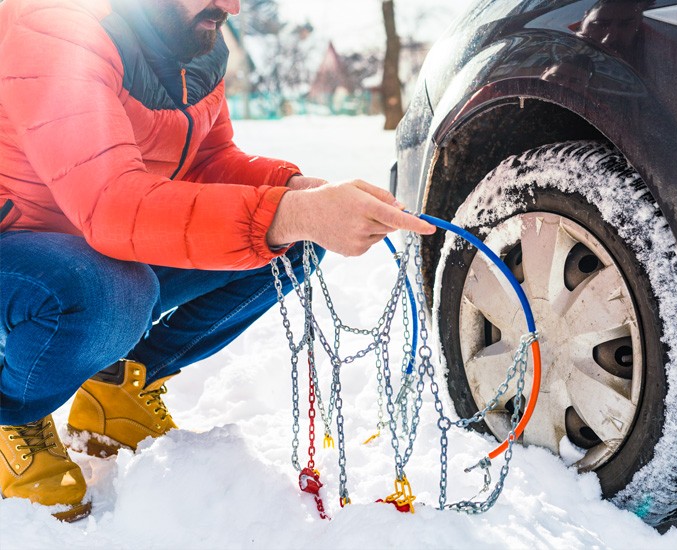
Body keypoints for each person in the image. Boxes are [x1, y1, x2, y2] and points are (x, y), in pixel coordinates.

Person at [0, 0, 434, 522]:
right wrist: (287, 212)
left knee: (291, 243)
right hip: (20, 243)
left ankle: (117, 386)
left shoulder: (193, 45)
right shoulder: (55, 30)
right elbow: (115, 206)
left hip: (91, 238)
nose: (228, 6)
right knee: (110, 293)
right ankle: (11, 415)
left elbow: (207, 160)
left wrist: (295, 192)